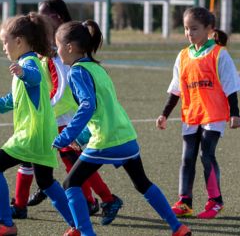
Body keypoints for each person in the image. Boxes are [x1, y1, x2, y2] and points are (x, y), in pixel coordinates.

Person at [53, 19, 192, 236]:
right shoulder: (97, 68)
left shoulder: (77, 72)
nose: (57, 51)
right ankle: (178, 227)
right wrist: (82, 135)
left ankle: (85, 232)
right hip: (126, 136)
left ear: (69, 47)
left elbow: (88, 106)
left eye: (58, 46)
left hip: (106, 140)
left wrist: (67, 135)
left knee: (71, 183)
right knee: (142, 183)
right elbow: (104, 109)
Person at [10, 0, 123, 226]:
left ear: (57, 17)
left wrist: (46, 107)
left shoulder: (61, 46)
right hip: (53, 113)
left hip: (63, 113)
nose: (39, 19)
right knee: (47, 158)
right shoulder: (47, 45)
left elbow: (61, 85)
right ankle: (25, 203)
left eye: (44, 14)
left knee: (72, 160)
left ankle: (104, 199)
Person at [0, 12, 79, 236]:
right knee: (46, 182)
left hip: (31, 134)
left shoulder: (30, 64)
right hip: (43, 135)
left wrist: (23, 73)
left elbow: (34, 77)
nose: (3, 47)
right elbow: (11, 101)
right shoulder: (25, 64)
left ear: (18, 41)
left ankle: (5, 225)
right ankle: (78, 226)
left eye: (4, 42)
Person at [156, 6, 240, 219]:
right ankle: (185, 201)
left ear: (209, 29)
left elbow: (231, 85)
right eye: (186, 29)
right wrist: (164, 114)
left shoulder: (219, 54)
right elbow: (175, 89)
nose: (189, 33)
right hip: (191, 114)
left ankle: (215, 201)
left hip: (213, 115)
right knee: (187, 158)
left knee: (207, 154)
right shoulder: (183, 55)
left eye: (194, 29)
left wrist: (235, 113)